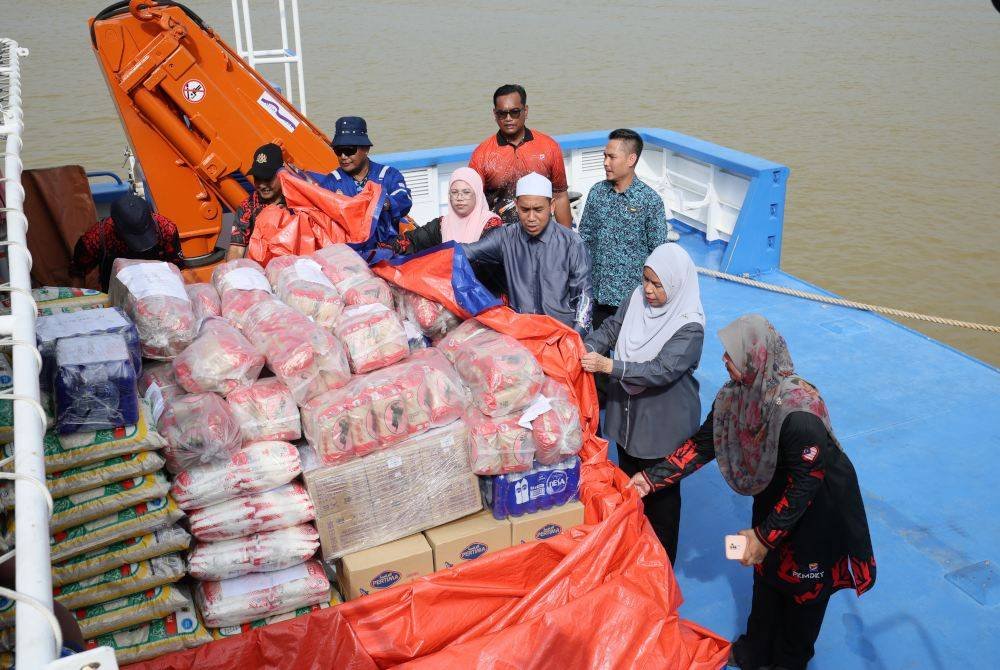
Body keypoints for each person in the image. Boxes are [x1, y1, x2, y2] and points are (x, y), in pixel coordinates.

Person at [629, 314, 876, 670]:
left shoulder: (800, 412)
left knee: (803, 593)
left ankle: (789, 661)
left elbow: (806, 484)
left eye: (731, 354)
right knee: (767, 573)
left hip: (817, 508)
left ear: (755, 358)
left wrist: (764, 536)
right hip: (774, 490)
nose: (723, 360)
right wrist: (649, 480)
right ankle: (754, 650)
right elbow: (703, 446)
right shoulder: (735, 396)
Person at [580, 243, 704, 563]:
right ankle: (634, 559)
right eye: (645, 279)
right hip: (628, 421)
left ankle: (660, 569)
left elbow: (660, 370)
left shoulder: (689, 327)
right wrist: (587, 348)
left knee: (661, 506)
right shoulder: (636, 298)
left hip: (662, 429)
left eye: (657, 284)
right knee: (629, 491)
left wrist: (610, 366)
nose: (648, 289)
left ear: (676, 284)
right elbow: (611, 329)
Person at [462, 172, 592, 334]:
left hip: (562, 334)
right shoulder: (505, 237)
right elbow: (465, 252)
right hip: (523, 336)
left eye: (538, 210)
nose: (531, 217)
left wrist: (574, 338)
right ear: (516, 206)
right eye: (525, 210)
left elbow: (584, 298)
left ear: (552, 206)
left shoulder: (572, 243)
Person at [578, 129, 679, 333]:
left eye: (612, 157)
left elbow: (658, 254)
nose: (605, 162)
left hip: (633, 301)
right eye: (604, 156)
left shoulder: (650, 201)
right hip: (598, 296)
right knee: (597, 347)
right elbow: (584, 238)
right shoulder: (597, 193)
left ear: (631, 159)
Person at [469, 85, 572, 227]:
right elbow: (472, 204)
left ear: (526, 111)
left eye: (515, 112)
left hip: (541, 233)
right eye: (502, 113)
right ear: (495, 114)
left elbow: (559, 196)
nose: (508, 118)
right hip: (499, 235)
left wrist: (568, 238)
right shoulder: (481, 154)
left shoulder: (549, 147)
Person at [309, 116, 412, 244]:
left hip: (388, 247)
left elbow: (404, 198)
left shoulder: (388, 174)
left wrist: (382, 203)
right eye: (338, 151)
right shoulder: (331, 182)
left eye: (349, 150)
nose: (343, 156)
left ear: (366, 149)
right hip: (350, 250)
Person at [69, 193, 183, 292]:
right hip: (115, 293)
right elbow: (78, 272)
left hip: (160, 290)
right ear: (116, 227)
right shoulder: (95, 239)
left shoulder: (166, 229)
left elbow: (178, 268)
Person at [383, 167, 502, 255]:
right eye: (454, 192)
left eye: (466, 192)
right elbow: (413, 241)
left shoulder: (491, 223)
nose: (459, 197)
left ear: (477, 194)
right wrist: (386, 248)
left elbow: (485, 254)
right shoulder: (443, 225)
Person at [229, 142, 287, 260]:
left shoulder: (296, 201)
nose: (262, 185)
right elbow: (236, 249)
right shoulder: (247, 207)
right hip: (263, 268)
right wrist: (232, 269)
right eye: (258, 178)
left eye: (267, 178)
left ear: (281, 174)